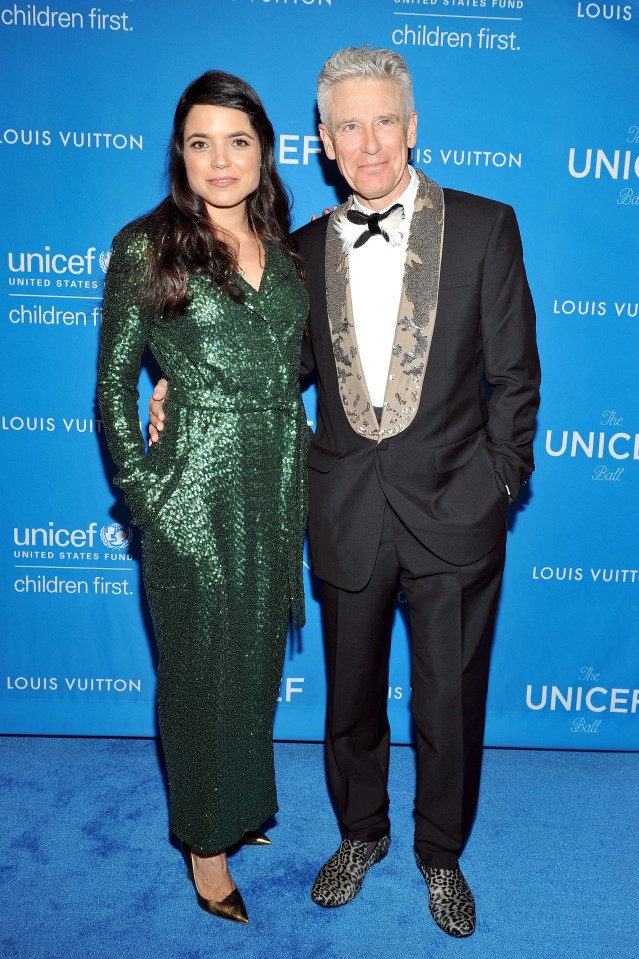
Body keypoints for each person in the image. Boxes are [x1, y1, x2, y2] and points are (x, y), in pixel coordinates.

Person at [151, 46, 541, 938]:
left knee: (447, 700)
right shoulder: (297, 251)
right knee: (350, 700)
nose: (369, 143)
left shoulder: (486, 225)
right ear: (323, 141)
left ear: (413, 127)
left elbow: (515, 376)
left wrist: (499, 482)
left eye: (385, 121)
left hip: (456, 512)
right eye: (349, 126)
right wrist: (183, 381)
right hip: (344, 512)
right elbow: (270, 366)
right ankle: (359, 834)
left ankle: (439, 853)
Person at [98, 70, 309, 925]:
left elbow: (289, 363)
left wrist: (217, 386)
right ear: (178, 156)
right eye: (198, 142)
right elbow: (113, 389)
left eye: (237, 140)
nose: (219, 160)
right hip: (192, 490)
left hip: (277, 479)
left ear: (264, 150)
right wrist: (150, 500)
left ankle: (238, 800)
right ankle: (204, 843)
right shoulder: (146, 245)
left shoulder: (288, 249)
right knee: (195, 671)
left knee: (254, 659)